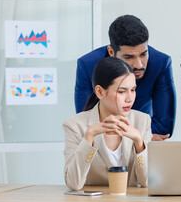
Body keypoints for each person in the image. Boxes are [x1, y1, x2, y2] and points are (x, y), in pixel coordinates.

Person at [75, 15, 176, 141]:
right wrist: (142, 136)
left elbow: (163, 128)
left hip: (140, 146)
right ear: (111, 52)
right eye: (129, 57)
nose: (139, 65)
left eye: (143, 54)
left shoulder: (161, 63)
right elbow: (85, 123)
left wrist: (124, 135)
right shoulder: (87, 65)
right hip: (102, 147)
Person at [63, 57, 151, 191]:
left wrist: (139, 141)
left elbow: (148, 182)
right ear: (100, 92)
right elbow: (73, 183)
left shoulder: (142, 121)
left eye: (133, 90)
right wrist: (89, 136)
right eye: (122, 91)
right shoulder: (75, 125)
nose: (130, 98)